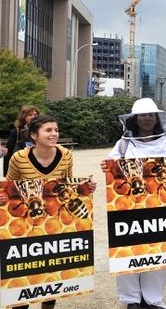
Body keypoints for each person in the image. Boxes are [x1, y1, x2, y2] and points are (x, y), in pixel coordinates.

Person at [3, 114, 96, 309]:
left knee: (51, 269)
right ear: (34, 135)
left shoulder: (66, 155)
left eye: (56, 130)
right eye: (48, 130)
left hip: (54, 221)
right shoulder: (19, 158)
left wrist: (86, 188)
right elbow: (9, 187)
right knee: (23, 270)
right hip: (26, 223)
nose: (54, 134)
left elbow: (67, 184)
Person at [104, 98, 166, 309]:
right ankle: (131, 300)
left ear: (157, 119)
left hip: (161, 208)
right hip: (129, 208)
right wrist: (106, 167)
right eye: (142, 115)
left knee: (158, 251)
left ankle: (153, 299)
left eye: (150, 115)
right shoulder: (123, 144)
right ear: (134, 119)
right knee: (128, 250)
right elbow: (112, 170)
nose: (147, 119)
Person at [3, 105, 39, 175]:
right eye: (30, 115)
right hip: (21, 170)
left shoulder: (42, 131)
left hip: (38, 169)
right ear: (24, 117)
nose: (33, 116)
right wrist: (7, 174)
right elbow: (9, 153)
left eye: (35, 114)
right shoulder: (16, 132)